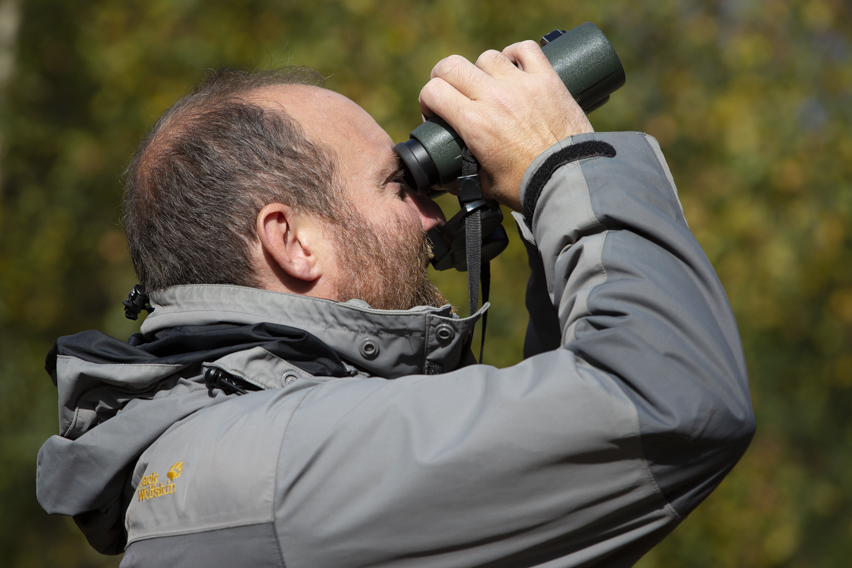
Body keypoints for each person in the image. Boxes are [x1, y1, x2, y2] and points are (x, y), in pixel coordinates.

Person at [37, 41, 754, 567]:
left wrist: (542, 225)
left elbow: (567, 468)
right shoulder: (281, 467)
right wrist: (557, 160)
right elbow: (666, 401)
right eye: (397, 185)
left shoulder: (231, 452)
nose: (432, 219)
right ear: (292, 241)